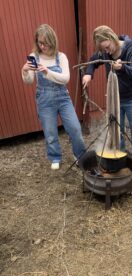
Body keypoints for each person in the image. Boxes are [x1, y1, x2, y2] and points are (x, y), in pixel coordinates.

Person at [82, 25, 132, 170]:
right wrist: (88, 73)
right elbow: (93, 61)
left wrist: (122, 67)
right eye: (104, 50)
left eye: (107, 47)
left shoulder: (129, 48)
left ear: (112, 38)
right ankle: (121, 154)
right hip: (115, 99)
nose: (106, 52)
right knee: (116, 130)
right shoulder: (105, 53)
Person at [22, 24, 86, 170]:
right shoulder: (34, 57)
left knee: (75, 128)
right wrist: (24, 71)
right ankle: (55, 156)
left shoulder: (61, 57)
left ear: (52, 40)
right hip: (44, 99)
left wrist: (46, 72)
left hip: (63, 98)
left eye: (45, 42)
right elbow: (29, 81)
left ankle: (80, 156)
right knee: (50, 131)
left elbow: (65, 79)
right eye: (40, 42)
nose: (43, 46)